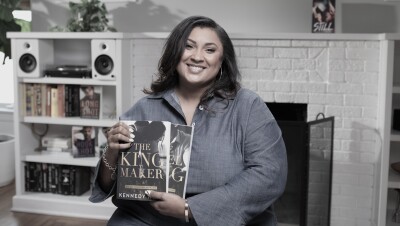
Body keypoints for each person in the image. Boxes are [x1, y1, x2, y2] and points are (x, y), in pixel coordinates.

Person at [90, 15, 287, 226]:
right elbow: (108, 183)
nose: (197, 57)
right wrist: (111, 152)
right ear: (176, 53)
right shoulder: (144, 108)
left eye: (209, 50)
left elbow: (270, 174)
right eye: (189, 46)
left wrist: (190, 208)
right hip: (149, 218)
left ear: (222, 61)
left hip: (226, 219)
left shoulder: (248, 106)